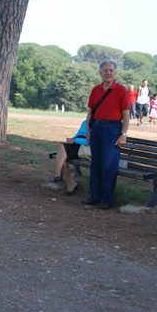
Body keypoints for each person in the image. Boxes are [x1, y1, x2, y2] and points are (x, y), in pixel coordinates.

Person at [83, 60, 130, 210]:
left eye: (111, 70)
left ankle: (106, 199)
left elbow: (126, 115)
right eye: (105, 70)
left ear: (115, 73)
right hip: (96, 127)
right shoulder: (95, 90)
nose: (108, 73)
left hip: (112, 129)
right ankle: (94, 197)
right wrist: (88, 131)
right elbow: (90, 112)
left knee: (109, 165)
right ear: (100, 73)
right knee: (95, 164)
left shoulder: (121, 90)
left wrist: (123, 134)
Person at [52, 120, 88, 196]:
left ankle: (58, 174)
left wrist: (75, 140)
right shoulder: (85, 122)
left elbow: (91, 141)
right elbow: (79, 134)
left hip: (84, 147)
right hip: (77, 143)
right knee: (62, 152)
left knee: (62, 149)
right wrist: (70, 139)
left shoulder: (98, 122)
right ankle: (70, 182)